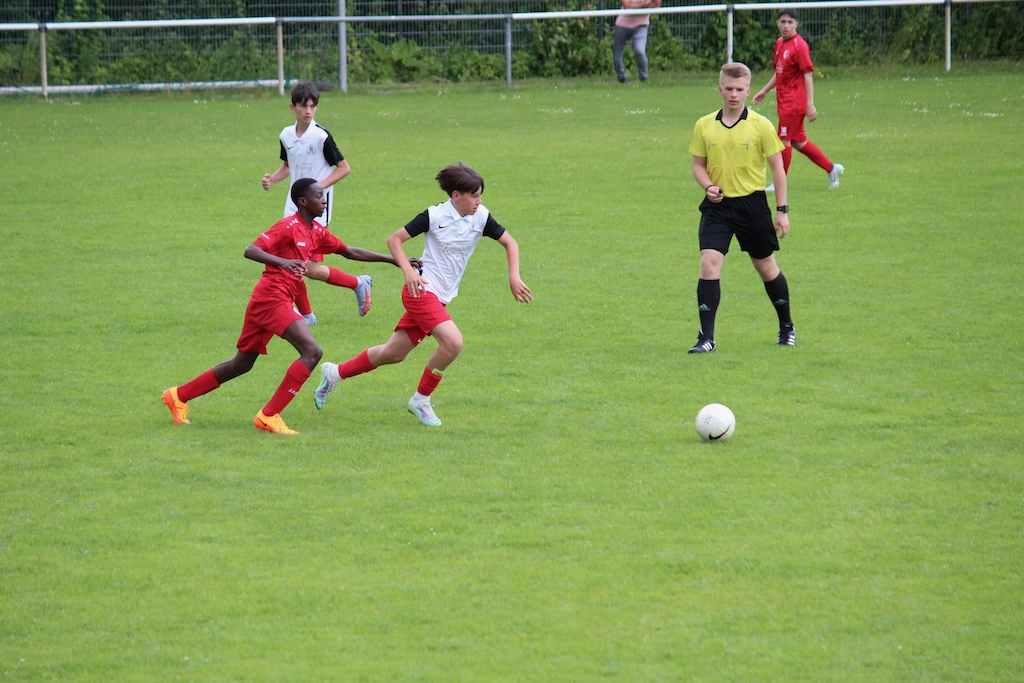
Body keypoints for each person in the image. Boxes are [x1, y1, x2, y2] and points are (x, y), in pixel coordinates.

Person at [162, 178, 414, 435]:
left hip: (270, 300)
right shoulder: (288, 226)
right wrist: (283, 262)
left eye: (324, 196)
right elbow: (251, 250)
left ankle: (178, 395)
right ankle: (269, 416)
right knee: (312, 352)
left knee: (242, 363)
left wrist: (394, 260)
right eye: (319, 197)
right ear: (303, 202)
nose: (324, 201)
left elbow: (349, 251)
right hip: (272, 298)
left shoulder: (317, 231)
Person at [313, 162, 533, 427]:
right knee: (453, 343)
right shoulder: (434, 216)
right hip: (421, 291)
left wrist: (514, 277)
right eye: (474, 196)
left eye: (480, 195)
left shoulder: (481, 217)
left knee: (393, 353)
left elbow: (510, 242)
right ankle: (420, 400)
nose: (479, 201)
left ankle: (334, 373)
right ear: (456, 196)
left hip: (440, 297)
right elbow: (394, 240)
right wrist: (408, 271)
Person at [688, 62, 795, 354]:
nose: (733, 94)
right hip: (718, 206)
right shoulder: (704, 125)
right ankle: (706, 338)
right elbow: (698, 165)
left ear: (748, 91)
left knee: (766, 268)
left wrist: (782, 210)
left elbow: (778, 170)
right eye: (729, 89)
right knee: (709, 263)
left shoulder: (761, 125)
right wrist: (708, 186)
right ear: (720, 90)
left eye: (739, 89)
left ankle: (787, 327)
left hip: (752, 205)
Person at [261, 81, 372, 325]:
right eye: (303, 106)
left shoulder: (321, 136)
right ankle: (307, 315)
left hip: (315, 211)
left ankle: (357, 283)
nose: (308, 111)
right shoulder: (286, 135)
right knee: (289, 261)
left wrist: (317, 189)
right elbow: (288, 166)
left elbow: (344, 168)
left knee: (307, 267)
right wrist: (273, 179)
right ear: (293, 107)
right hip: (293, 207)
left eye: (312, 106)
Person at [753, 8, 844, 190]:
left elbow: (808, 75)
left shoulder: (799, 46)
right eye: (783, 22)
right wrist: (764, 91)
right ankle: (831, 168)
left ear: (796, 24)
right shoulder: (780, 43)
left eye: (790, 22)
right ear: (777, 23)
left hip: (794, 103)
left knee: (783, 141)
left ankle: (779, 182)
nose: (786, 26)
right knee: (798, 142)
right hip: (784, 101)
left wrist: (810, 104)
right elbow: (779, 72)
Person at [613, 0, 661, 83]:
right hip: (622, 25)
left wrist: (635, 5)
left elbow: (656, 4)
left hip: (641, 25)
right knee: (617, 53)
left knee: (640, 51)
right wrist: (645, 4)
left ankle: (644, 77)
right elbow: (627, 5)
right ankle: (621, 78)